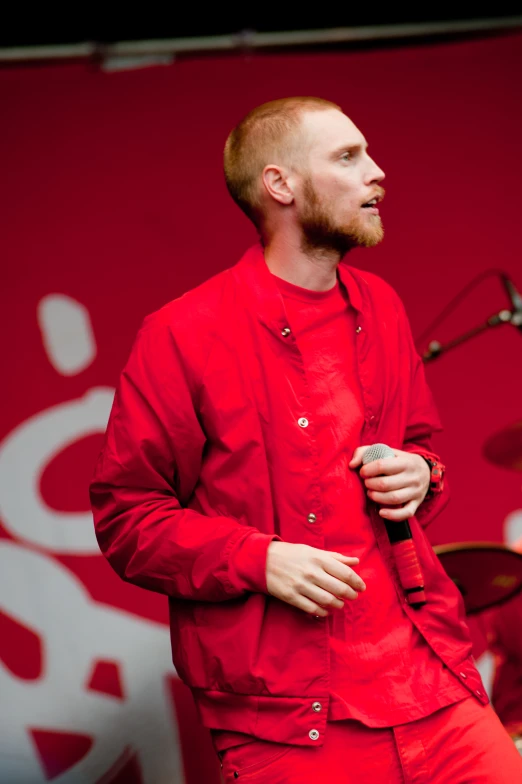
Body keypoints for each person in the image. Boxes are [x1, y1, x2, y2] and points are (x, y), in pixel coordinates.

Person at [90, 97, 522, 782]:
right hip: (291, 722)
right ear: (280, 184)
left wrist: (421, 474)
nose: (377, 173)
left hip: (430, 681)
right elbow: (126, 518)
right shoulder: (181, 333)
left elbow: (420, 447)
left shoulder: (380, 304)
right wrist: (257, 559)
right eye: (348, 157)